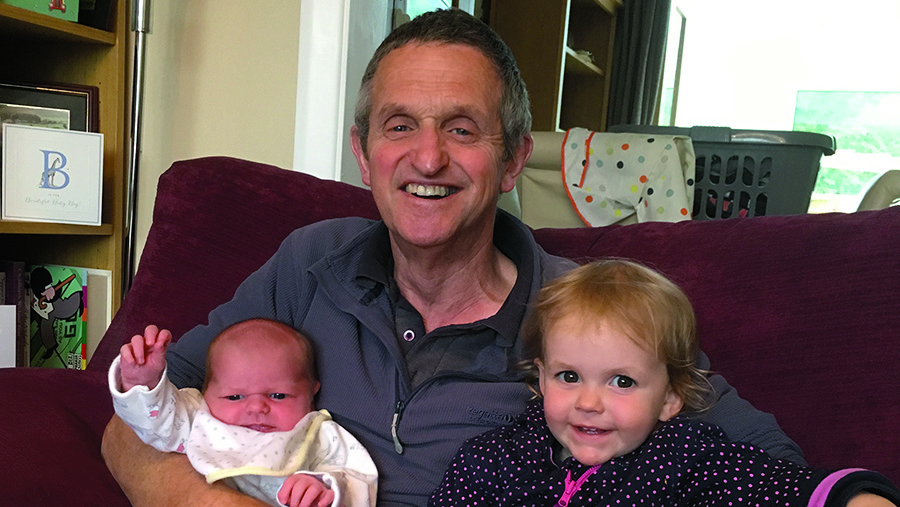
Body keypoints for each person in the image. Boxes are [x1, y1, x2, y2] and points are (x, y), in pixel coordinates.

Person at [102, 8, 805, 506]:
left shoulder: (585, 315)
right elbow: (130, 426)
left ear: (513, 159)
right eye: (400, 125)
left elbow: (770, 467)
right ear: (363, 153)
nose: (428, 157)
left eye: (462, 129)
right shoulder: (308, 264)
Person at [429, 259, 900, 506]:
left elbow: (779, 488)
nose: (589, 402)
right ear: (541, 378)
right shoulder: (494, 460)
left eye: (622, 381)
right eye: (569, 376)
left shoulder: (687, 460)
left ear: (671, 397)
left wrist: (857, 498)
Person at [109, 319, 377, 507]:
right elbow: (156, 425)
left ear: (311, 392)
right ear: (206, 393)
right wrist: (143, 385)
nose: (257, 407)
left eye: (278, 395)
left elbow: (358, 478)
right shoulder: (200, 418)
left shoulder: (318, 434)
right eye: (235, 397)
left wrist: (326, 487)